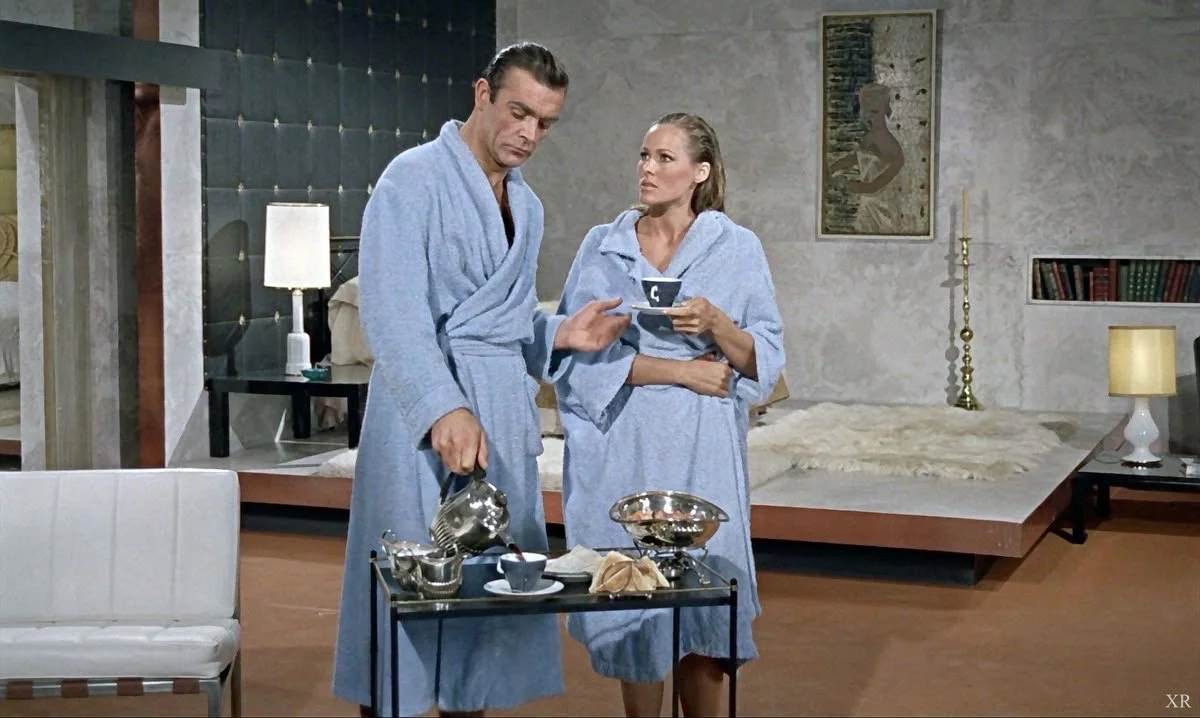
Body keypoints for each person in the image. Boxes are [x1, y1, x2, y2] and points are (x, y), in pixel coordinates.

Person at [332, 42, 631, 718]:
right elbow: (393, 312)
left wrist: (559, 334)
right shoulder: (412, 179)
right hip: (419, 409)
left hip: (497, 410)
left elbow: (506, 320)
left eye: (545, 122)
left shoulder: (528, 207)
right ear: (482, 94)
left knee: (489, 594)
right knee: (408, 587)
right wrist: (443, 408)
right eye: (519, 112)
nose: (529, 134)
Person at [552, 112, 786, 718]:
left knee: (704, 608)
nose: (647, 169)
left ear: (699, 172)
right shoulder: (603, 245)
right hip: (625, 442)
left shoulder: (736, 248)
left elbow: (764, 360)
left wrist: (717, 323)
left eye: (664, 158)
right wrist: (680, 371)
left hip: (702, 447)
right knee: (635, 609)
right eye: (644, 155)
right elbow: (573, 359)